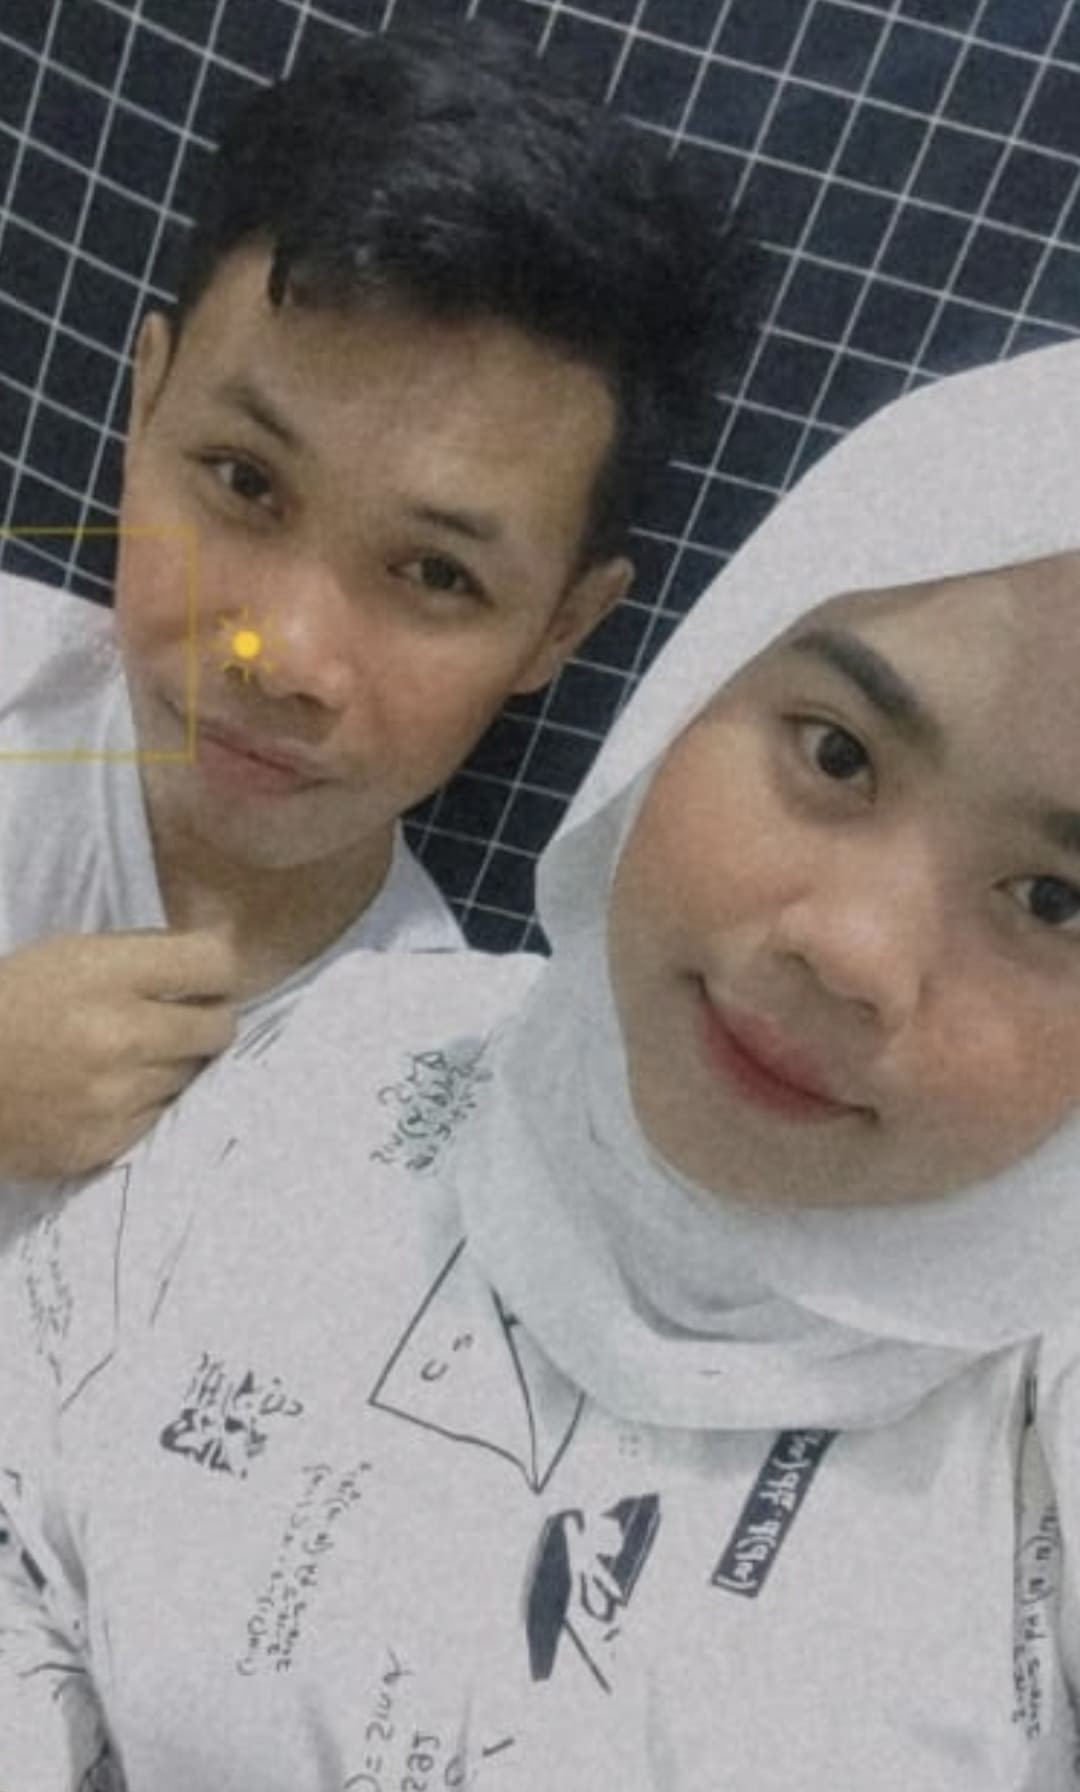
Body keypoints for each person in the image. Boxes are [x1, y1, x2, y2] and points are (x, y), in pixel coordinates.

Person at [7, 335, 1080, 1790]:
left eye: (1054, 901)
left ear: (565, 627)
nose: (852, 951)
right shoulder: (349, 1058)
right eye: (834, 754)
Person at [0, 21, 757, 1218]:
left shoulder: (446, 1109)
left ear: (561, 627)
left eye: (437, 575)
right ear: (144, 407)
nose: (283, 654)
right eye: (244, 481)